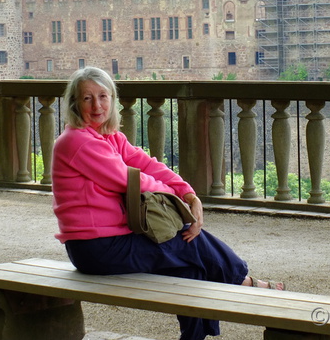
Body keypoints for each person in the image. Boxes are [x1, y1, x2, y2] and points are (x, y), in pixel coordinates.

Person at [52, 66, 284, 340]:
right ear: (75, 104)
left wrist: (187, 192)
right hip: (96, 248)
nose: (97, 105)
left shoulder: (109, 136)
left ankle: (195, 336)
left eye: (103, 96)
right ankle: (246, 282)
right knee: (191, 241)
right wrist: (178, 200)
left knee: (189, 266)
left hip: (113, 240)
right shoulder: (77, 141)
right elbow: (131, 181)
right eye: (87, 98)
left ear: (113, 99)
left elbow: (146, 163)